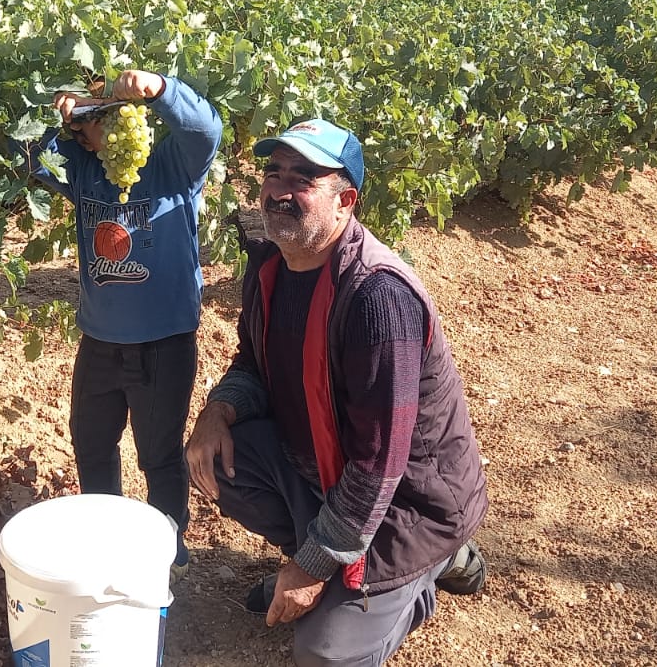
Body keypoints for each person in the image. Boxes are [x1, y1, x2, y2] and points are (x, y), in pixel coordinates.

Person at [184, 118, 488, 666]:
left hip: (407, 503)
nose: (279, 188)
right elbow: (253, 364)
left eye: (303, 178)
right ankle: (334, 561)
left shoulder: (378, 300)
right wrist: (217, 410)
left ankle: (425, 569)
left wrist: (310, 569)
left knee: (324, 655)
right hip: (326, 473)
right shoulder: (270, 267)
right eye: (273, 172)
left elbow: (378, 468)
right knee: (224, 461)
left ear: (345, 199)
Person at [23, 69, 222, 579]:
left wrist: (160, 88)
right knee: (91, 443)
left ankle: (167, 549)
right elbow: (25, 155)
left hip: (164, 346)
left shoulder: (171, 167)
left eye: (113, 118)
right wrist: (56, 112)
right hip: (100, 342)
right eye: (94, 122)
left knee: (158, 456)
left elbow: (206, 131)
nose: (106, 131)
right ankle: (105, 539)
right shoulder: (84, 172)